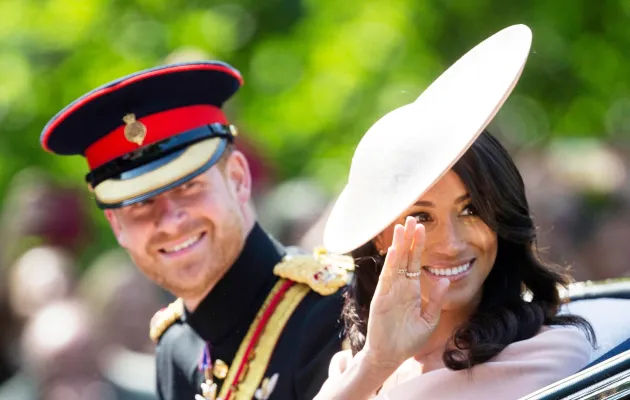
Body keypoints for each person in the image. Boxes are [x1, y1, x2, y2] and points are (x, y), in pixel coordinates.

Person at [39, 61, 353, 400]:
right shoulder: (175, 345)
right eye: (141, 204)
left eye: (188, 187)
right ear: (116, 226)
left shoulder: (333, 311)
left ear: (238, 178)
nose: (170, 220)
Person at [313, 25, 596, 400]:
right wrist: (376, 364)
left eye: (471, 209)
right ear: (379, 236)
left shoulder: (543, 355)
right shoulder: (351, 370)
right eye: (422, 218)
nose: (451, 243)